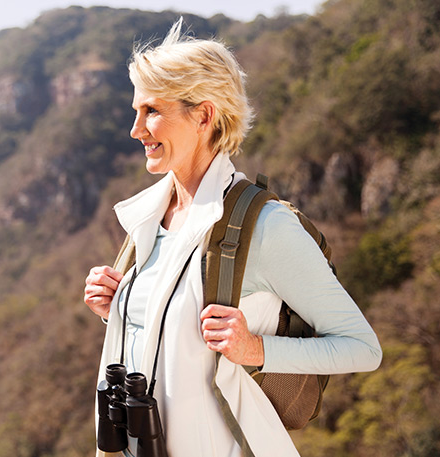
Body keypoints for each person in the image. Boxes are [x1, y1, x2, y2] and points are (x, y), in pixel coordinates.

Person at [83, 19, 382, 457]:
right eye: (136, 112)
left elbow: (362, 348)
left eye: (151, 111)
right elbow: (170, 339)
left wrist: (255, 348)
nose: (136, 130)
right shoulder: (146, 219)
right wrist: (120, 310)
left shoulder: (266, 227)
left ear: (203, 115)